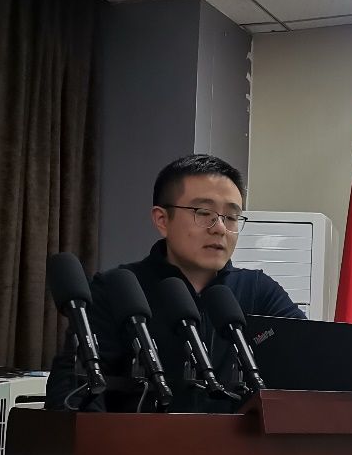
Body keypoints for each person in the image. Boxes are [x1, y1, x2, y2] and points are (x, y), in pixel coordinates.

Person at [47, 154, 302, 412]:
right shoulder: (119, 290)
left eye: (232, 217)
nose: (220, 228)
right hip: (138, 437)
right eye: (204, 213)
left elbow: (307, 361)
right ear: (162, 220)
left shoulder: (259, 291)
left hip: (237, 438)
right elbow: (72, 389)